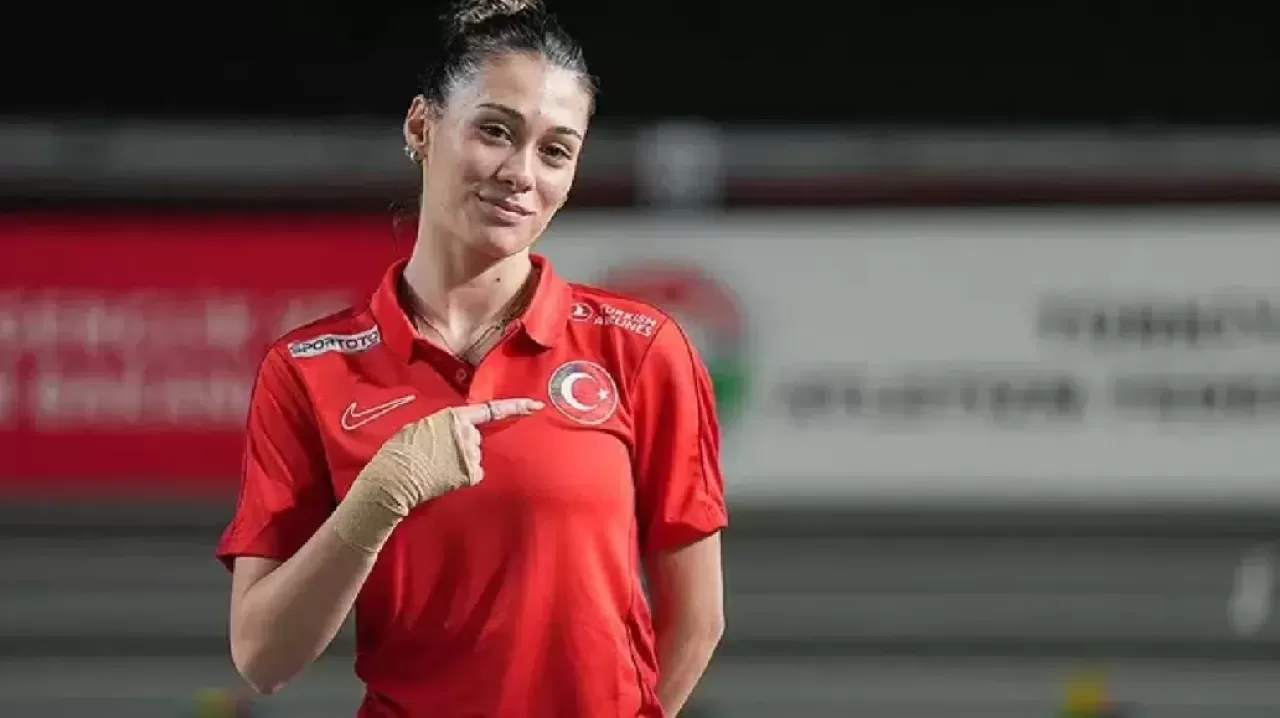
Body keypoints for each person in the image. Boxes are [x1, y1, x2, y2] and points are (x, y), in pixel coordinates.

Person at [214, 1, 728, 716]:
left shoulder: (641, 347)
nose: (521, 173)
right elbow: (262, 658)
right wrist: (375, 503)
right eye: (494, 131)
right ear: (420, 127)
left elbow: (697, 621)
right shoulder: (306, 369)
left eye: (556, 151)